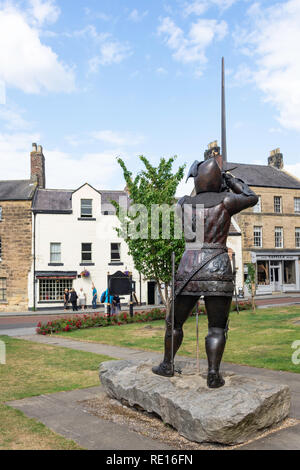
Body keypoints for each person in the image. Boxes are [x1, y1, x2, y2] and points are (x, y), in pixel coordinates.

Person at [152, 158, 258, 388]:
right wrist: (230, 181)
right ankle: (212, 372)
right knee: (217, 327)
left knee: (174, 323)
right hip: (217, 265)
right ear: (218, 180)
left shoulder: (182, 203)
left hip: (189, 266)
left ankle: (167, 364)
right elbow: (251, 197)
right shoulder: (227, 201)